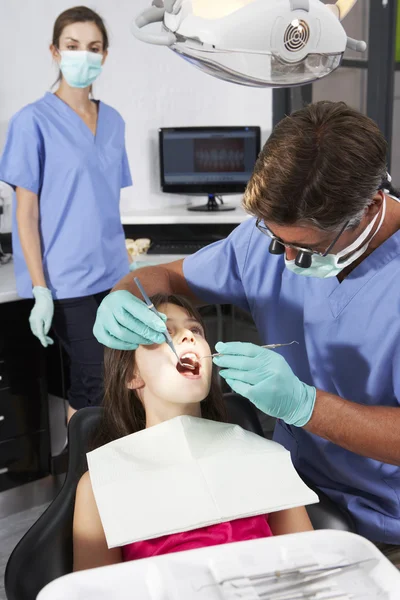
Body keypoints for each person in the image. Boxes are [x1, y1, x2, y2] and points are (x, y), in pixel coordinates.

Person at [93, 102, 400, 558]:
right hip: (292, 486)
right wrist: (124, 294)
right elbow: (168, 280)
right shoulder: (266, 243)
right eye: (278, 241)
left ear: (370, 206)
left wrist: (305, 406)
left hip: (386, 521)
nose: (287, 262)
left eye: (306, 247)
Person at [73, 294, 313, 571]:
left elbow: (309, 569)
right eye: (164, 331)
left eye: (195, 330)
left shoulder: (265, 458)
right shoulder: (100, 486)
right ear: (131, 375)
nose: (188, 336)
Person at [0, 7, 132, 421]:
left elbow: (104, 202)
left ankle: (105, 468)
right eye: (73, 46)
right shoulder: (31, 122)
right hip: (65, 280)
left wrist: (130, 263)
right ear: (55, 51)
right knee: (92, 380)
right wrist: (40, 289)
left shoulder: (113, 121)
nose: (83, 56)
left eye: (93, 48)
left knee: (120, 376)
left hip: (112, 272)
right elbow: (25, 216)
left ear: (105, 56)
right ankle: (81, 478)